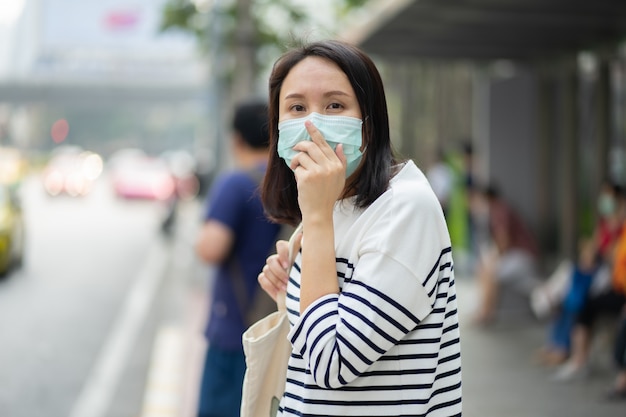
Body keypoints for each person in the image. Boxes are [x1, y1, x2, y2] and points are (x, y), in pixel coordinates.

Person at [256, 40, 462, 416]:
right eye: (296, 107)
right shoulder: (333, 201)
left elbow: (331, 362)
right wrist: (289, 294)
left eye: (334, 105)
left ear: (370, 120)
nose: (313, 123)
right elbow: (315, 345)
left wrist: (316, 221)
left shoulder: (403, 208)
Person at [194, 99, 281, 417]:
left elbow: (210, 248)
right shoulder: (288, 182)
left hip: (235, 330)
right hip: (278, 327)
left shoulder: (235, 183)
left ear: (236, 140)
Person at [471, 183, 541, 325]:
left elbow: (503, 240)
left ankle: (486, 313)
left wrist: (493, 259)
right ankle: (484, 310)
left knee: (490, 271)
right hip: (521, 255)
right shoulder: (502, 208)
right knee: (485, 269)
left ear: (487, 198)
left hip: (523, 257)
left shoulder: (499, 210)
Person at [535, 238, 599, 366]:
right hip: (569, 300)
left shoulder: (595, 273)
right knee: (558, 316)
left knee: (570, 320)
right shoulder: (575, 268)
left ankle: (562, 349)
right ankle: (554, 344)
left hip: (580, 303)